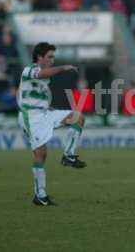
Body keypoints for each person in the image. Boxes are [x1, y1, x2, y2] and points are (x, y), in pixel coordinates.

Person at [18, 42, 87, 206]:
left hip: (44, 112)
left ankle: (68, 155)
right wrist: (63, 68)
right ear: (39, 57)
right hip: (31, 116)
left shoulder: (43, 76)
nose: (52, 60)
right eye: (49, 57)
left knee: (77, 117)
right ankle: (40, 195)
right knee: (41, 154)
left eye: (53, 57)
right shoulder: (29, 70)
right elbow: (42, 74)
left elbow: (32, 94)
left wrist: (47, 106)